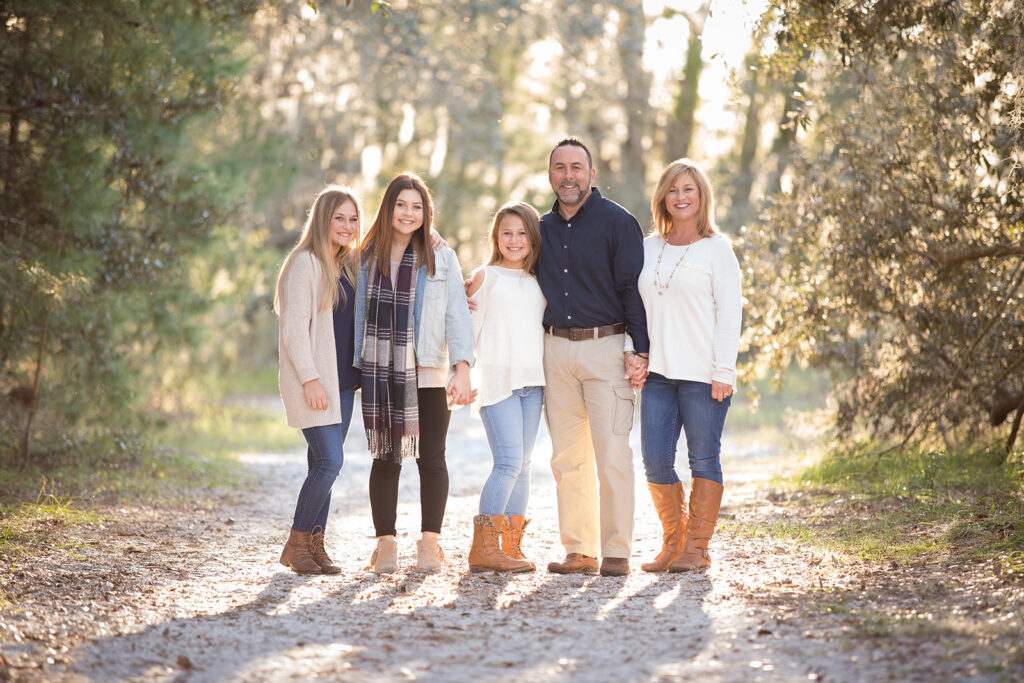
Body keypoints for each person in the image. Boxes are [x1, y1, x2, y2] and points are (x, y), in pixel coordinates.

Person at [537, 138, 650, 577]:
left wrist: (638, 350)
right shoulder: (539, 227)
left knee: (613, 455)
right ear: (551, 175)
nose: (568, 175)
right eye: (560, 167)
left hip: (607, 349)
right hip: (555, 350)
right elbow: (508, 262)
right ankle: (579, 551)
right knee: (568, 459)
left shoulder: (618, 222)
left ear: (591, 174)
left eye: (577, 167)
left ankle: (617, 550)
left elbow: (632, 290)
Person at [353, 172, 475, 574]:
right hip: (381, 373)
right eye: (401, 205)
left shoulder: (441, 257)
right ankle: (386, 549)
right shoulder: (365, 257)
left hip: (428, 372)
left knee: (432, 458)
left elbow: (457, 315)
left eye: (417, 207)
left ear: (427, 214)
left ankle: (428, 547)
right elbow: (353, 318)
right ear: (388, 208)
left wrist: (462, 368)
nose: (408, 213)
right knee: (385, 457)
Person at [637, 158, 742, 572]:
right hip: (659, 374)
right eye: (673, 190)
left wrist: (724, 371)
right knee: (656, 460)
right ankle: (673, 543)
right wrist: (634, 350)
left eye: (689, 190)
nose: (680, 197)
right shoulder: (648, 247)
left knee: (703, 459)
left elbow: (730, 313)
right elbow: (633, 305)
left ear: (702, 198)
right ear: (663, 196)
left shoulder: (718, 250)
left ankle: (697, 548)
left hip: (703, 375)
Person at [274, 185, 362, 575]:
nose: (346, 225)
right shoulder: (306, 263)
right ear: (323, 219)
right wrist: (310, 378)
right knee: (330, 462)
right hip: (315, 383)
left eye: (353, 218)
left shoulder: (348, 264)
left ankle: (315, 546)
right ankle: (296, 544)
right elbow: (293, 329)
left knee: (320, 466)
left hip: (343, 384)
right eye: (339, 217)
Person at [465, 201, 545, 574]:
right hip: (498, 383)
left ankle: (511, 548)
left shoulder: (539, 278)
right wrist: (461, 370)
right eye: (506, 233)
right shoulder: (486, 277)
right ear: (496, 237)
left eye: (521, 233)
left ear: (533, 237)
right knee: (509, 463)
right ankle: (484, 548)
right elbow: (468, 331)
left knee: (525, 467)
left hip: (534, 383)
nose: (514, 240)